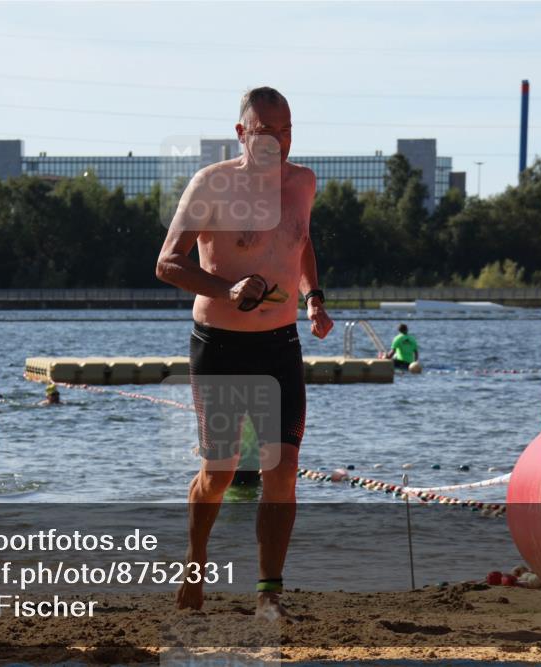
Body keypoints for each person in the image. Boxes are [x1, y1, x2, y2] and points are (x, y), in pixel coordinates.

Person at [155, 87, 333, 621]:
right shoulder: (211, 184)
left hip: (280, 344)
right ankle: (195, 561)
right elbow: (167, 263)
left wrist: (314, 299)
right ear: (241, 134)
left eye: (286, 131)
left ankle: (269, 594)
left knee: (284, 467)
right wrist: (225, 289)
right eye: (266, 132)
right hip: (221, 345)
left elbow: (301, 241)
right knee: (221, 471)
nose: (278, 142)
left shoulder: (303, 183)